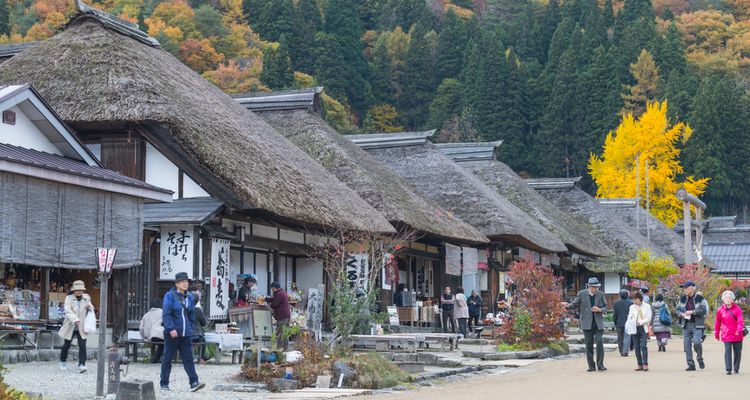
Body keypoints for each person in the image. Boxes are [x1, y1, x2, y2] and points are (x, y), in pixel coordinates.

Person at [160, 272, 205, 392]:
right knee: (167, 359)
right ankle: (164, 383)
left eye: (186, 282)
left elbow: (191, 314)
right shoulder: (169, 295)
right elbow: (166, 314)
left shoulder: (190, 297)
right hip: (172, 334)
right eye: (182, 282)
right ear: (176, 284)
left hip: (186, 334)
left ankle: (194, 382)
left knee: (188, 359)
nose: (185, 284)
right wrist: (171, 328)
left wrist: (190, 327)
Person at [565, 277, 608, 372]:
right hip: (586, 322)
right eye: (594, 287)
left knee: (599, 342)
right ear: (589, 286)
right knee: (588, 344)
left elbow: (605, 307)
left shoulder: (600, 294)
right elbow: (574, 304)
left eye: (597, 287)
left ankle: (600, 365)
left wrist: (600, 309)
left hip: (598, 322)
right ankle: (591, 366)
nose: (596, 289)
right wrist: (566, 305)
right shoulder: (581, 293)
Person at [58, 280, 94, 373]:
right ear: (74, 290)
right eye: (77, 290)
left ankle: (82, 364)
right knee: (67, 344)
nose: (79, 292)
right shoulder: (68, 298)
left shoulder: (87, 298)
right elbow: (67, 311)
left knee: (82, 345)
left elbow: (91, 307)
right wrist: (75, 320)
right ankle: (62, 361)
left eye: (81, 290)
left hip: (82, 326)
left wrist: (90, 307)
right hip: (71, 325)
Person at [677, 281, 709, 371]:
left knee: (697, 342)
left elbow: (704, 310)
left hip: (697, 325)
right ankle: (691, 364)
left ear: (691, 288)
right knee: (687, 346)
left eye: (686, 288)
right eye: (684, 288)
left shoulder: (700, 298)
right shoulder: (682, 298)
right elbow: (677, 310)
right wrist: (681, 314)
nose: (684, 290)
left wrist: (692, 312)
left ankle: (699, 358)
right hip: (685, 325)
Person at [715, 290, 744, 375]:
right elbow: (717, 322)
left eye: (729, 297)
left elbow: (740, 321)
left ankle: (736, 368)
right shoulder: (720, 310)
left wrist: (739, 330)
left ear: (732, 299)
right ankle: (728, 369)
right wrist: (717, 333)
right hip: (726, 334)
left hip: (737, 334)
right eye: (726, 297)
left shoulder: (738, 309)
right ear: (723, 299)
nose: (727, 299)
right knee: (727, 351)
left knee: (737, 352)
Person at [628, 291, 652, 371]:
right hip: (634, 328)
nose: (634, 301)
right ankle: (639, 364)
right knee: (637, 347)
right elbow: (629, 316)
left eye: (636, 299)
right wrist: (631, 321)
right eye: (633, 300)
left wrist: (641, 322)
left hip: (643, 327)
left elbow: (649, 318)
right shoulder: (632, 307)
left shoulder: (647, 306)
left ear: (640, 299)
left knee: (643, 346)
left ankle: (645, 363)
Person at [267, 281, 291, 351]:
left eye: (272, 288)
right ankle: (286, 349)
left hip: (282, 317)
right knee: (285, 333)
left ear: (274, 288)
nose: (272, 290)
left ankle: (279, 349)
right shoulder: (281, 292)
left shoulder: (279, 294)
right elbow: (274, 299)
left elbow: (275, 304)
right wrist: (265, 299)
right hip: (286, 316)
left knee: (281, 333)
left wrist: (268, 305)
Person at [140, 299, 165, 363]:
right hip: (163, 335)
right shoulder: (164, 312)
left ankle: (156, 359)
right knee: (163, 344)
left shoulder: (147, 315)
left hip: (152, 337)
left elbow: (141, 327)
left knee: (161, 345)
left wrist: (144, 337)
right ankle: (162, 358)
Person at [191, 292, 210, 365]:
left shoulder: (183, 309)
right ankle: (201, 358)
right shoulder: (198, 310)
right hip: (196, 335)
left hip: (185, 334)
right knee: (203, 340)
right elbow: (204, 323)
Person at [613, 290, 633, 357]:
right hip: (628, 322)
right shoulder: (631, 303)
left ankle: (621, 351)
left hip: (619, 322)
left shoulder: (616, 303)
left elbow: (615, 314)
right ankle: (625, 351)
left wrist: (615, 321)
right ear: (627, 295)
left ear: (620, 295)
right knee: (627, 337)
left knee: (620, 337)